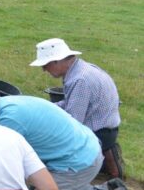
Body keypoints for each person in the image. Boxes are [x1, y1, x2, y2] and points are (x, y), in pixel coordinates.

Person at [0, 94, 141, 190]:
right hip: (83, 150)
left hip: (80, 162)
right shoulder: (4, 103)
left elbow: (4, 168)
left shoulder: (8, 122)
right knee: (32, 188)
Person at [30, 37, 124, 179]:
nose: (44, 69)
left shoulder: (79, 80)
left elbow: (73, 121)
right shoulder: (84, 68)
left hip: (98, 132)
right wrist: (45, 108)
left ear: (57, 60)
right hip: (107, 126)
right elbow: (70, 103)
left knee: (48, 142)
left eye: (46, 65)